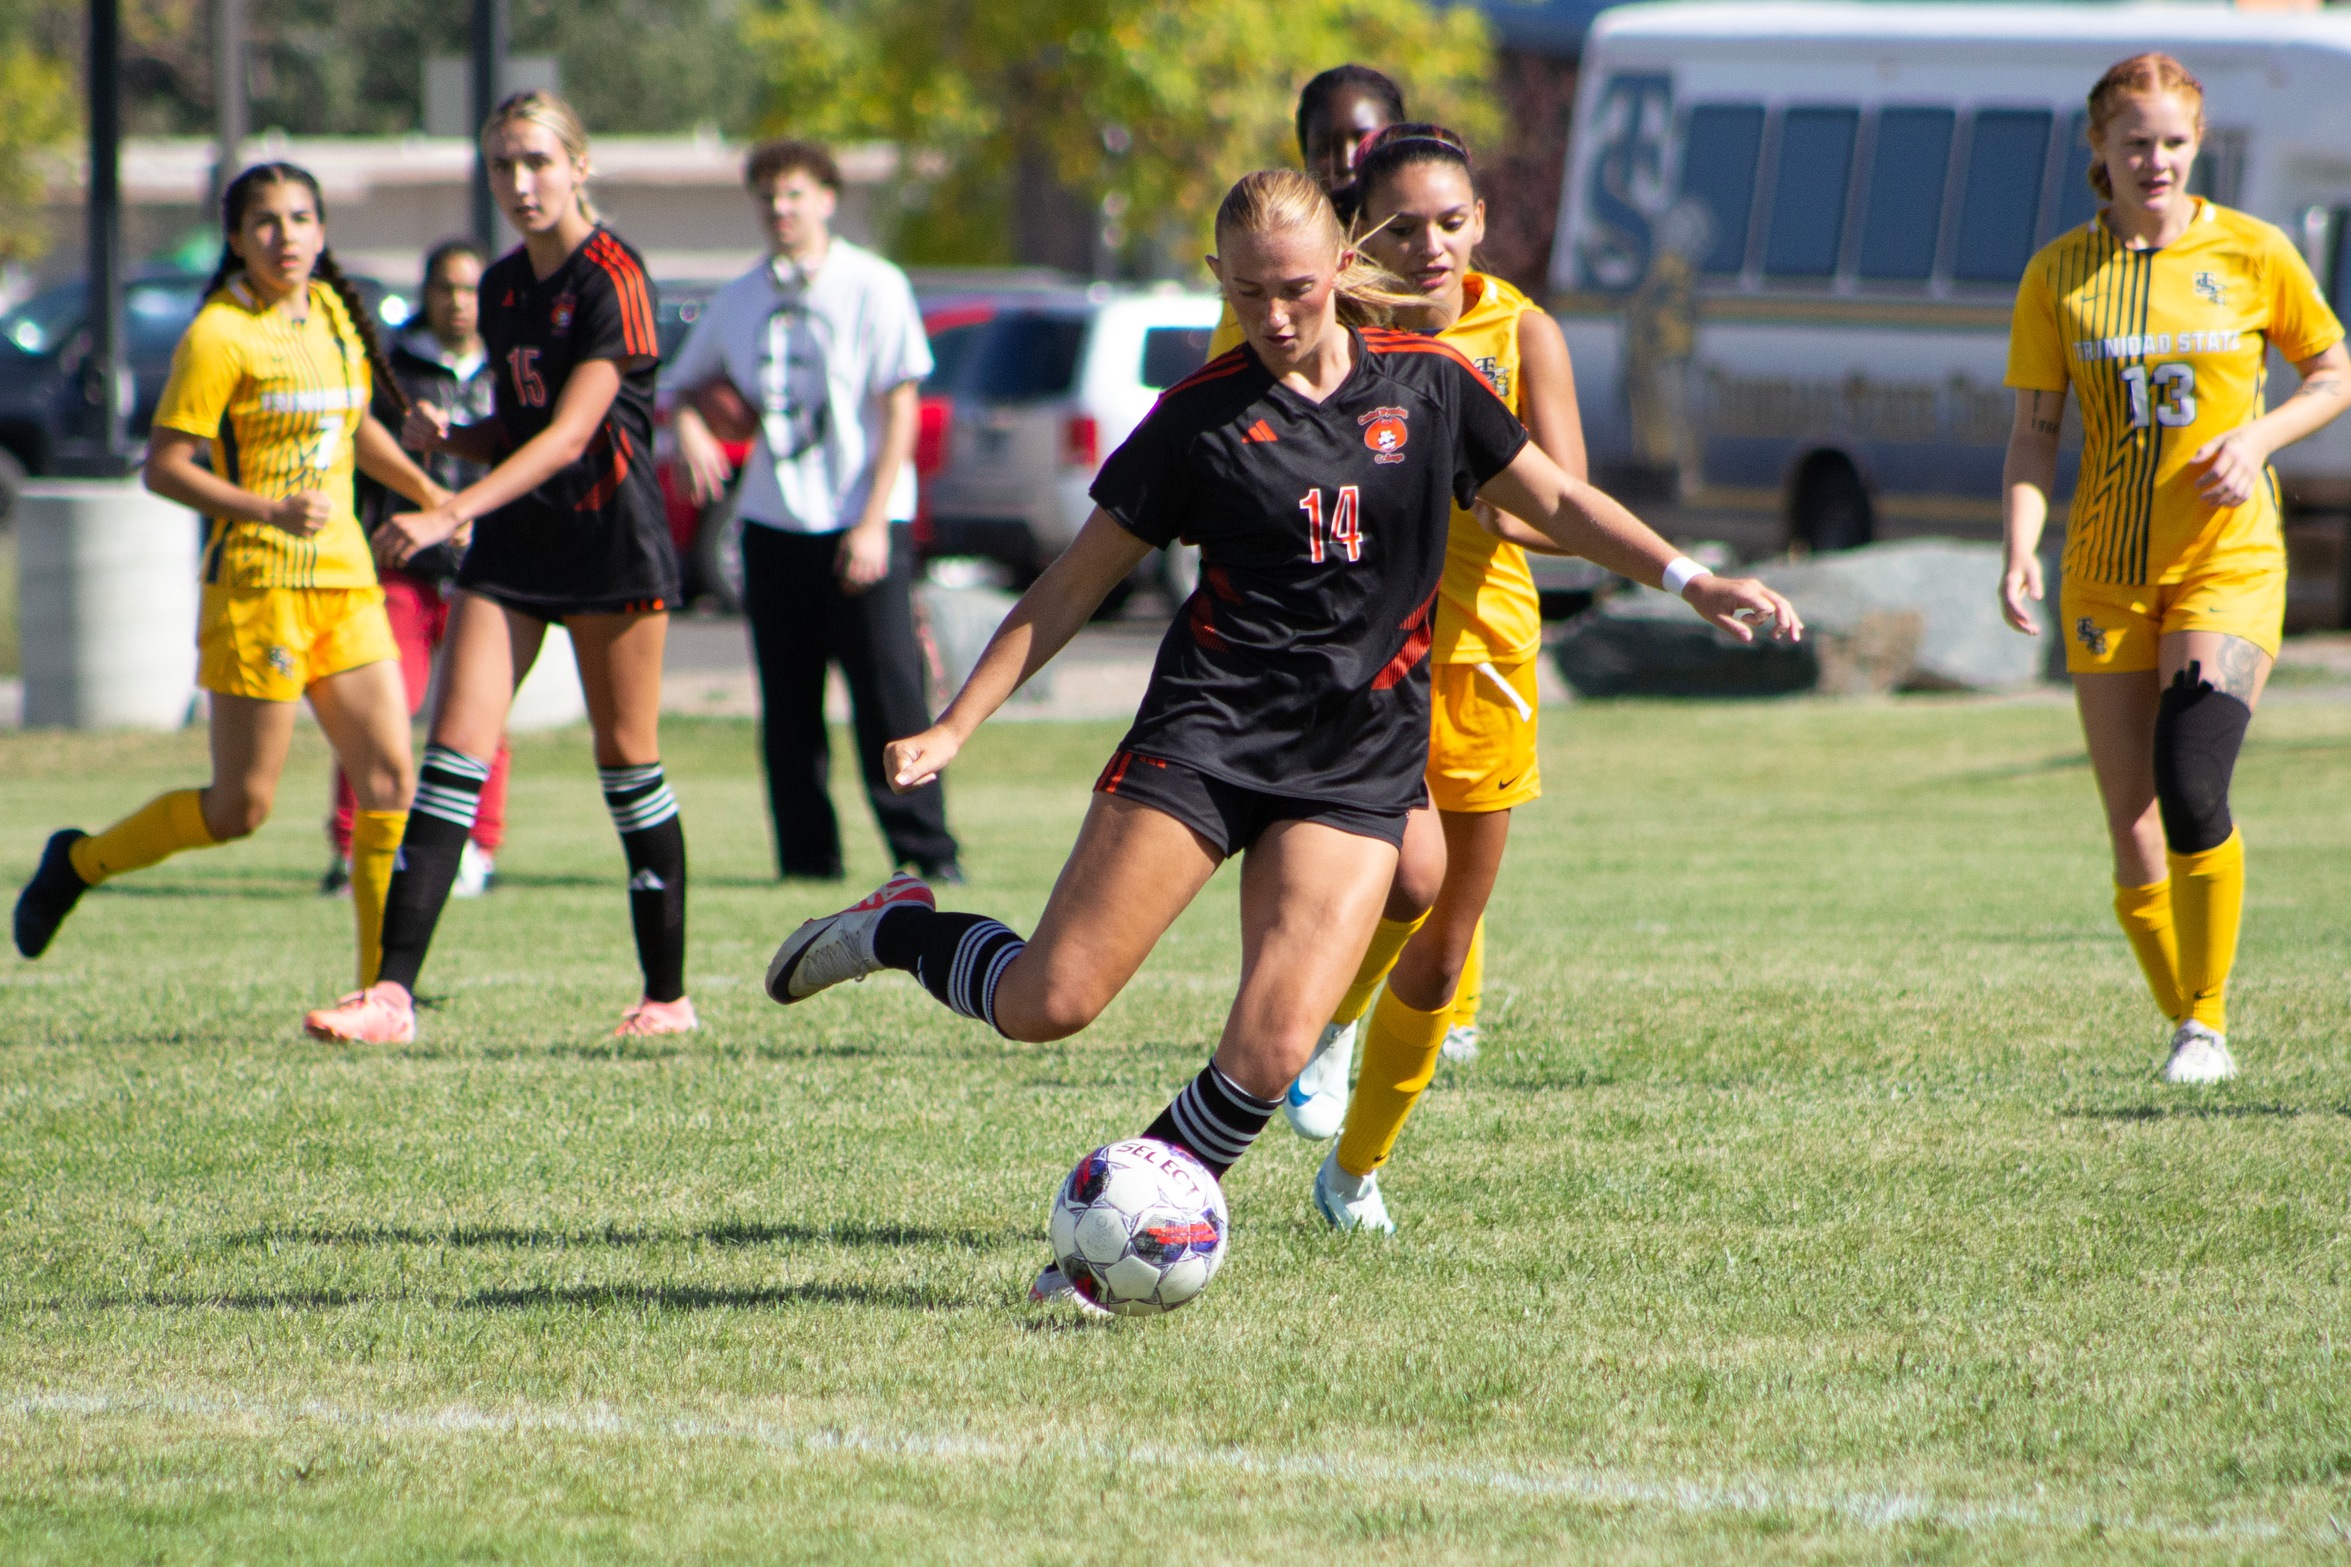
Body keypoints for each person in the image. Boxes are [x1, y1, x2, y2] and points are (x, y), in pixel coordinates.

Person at [761, 169, 1799, 1314]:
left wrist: (1688, 577)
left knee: (1267, 1049)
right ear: (1219, 281)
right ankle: (900, 927)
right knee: (1046, 1004)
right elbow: (1066, 589)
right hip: (1204, 740)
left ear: (1341, 272)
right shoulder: (1198, 418)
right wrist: (956, 722)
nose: (1275, 314)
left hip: (1354, 761)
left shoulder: (1434, 387)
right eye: (1248, 291)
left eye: (1297, 288)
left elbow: (1553, 499)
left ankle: (1103, 1253)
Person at [304, 90, 693, 1044]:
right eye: (503, 166)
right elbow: (520, 431)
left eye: (537, 162)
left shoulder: (615, 275)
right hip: (518, 545)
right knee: (450, 762)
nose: (520, 183)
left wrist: (447, 509)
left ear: (578, 166)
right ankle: (392, 996)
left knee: (627, 768)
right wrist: (458, 441)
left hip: (612, 543)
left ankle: (666, 998)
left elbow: (570, 437)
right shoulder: (506, 284)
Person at [13, 164, 445, 999]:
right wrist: (265, 509)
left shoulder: (329, 313)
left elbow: (351, 428)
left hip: (346, 584)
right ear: (237, 239)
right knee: (238, 811)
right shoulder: (217, 335)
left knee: (391, 780)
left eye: (300, 218)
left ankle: (379, 996)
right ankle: (78, 862)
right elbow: (165, 468)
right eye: (265, 223)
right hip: (257, 589)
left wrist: (431, 492)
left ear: (322, 231)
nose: (286, 237)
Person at [2001, 53, 2349, 1085]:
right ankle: (2184, 1016)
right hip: (2104, 571)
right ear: (2096, 150)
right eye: (2133, 142)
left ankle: (2204, 1025)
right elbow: (2032, 435)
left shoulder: (2251, 251)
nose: (2154, 160)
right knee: (2132, 824)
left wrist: (2256, 440)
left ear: (2196, 147)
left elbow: (2328, 369)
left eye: (2172, 143)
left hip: (2226, 563)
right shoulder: (2056, 275)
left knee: (2191, 778)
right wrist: (2018, 541)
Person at [1275, 123, 1590, 1230]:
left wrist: (1479, 498)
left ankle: (1352, 1171)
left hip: (1486, 663)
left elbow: (1565, 508)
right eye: (1400, 227)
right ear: (1363, 235)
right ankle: (1321, 1024)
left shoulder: (1524, 331)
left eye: (1449, 222)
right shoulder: (1335, 332)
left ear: (1482, 222)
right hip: (1365, 657)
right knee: (1391, 880)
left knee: (1449, 933)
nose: (1428, 247)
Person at [665, 140, 958, 885]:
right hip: (773, 522)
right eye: (767, 196)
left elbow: (900, 403)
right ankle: (806, 859)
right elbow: (684, 384)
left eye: (794, 194)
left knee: (889, 696)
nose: (780, 209)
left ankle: (926, 851)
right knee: (789, 711)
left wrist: (872, 519)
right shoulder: (740, 296)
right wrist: (698, 425)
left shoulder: (873, 284)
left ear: (826, 197)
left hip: (863, 520)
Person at [325, 238, 513, 901]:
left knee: (481, 714)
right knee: (382, 707)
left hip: (486, 570)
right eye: (446, 289)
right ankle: (355, 848)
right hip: (404, 568)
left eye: (471, 290)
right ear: (427, 293)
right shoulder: (393, 369)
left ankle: (477, 849)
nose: (459, 304)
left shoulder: (511, 366)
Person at [1205, 65, 1408, 363]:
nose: (1346, 162)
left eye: (1363, 142)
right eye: (1324, 147)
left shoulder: (1430, 261)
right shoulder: (1256, 284)